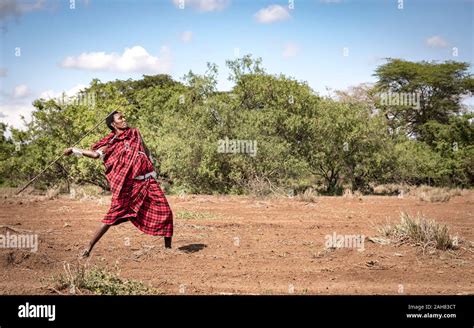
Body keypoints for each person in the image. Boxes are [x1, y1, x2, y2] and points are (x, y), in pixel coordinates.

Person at [64, 111, 173, 257]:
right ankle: (88, 247)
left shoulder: (135, 133)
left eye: (124, 117)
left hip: (147, 181)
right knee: (111, 217)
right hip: (128, 187)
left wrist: (150, 164)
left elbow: (145, 150)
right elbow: (96, 155)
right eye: (120, 118)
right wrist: (74, 150)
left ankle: (168, 251)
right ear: (113, 124)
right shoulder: (111, 142)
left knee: (166, 212)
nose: (124, 119)